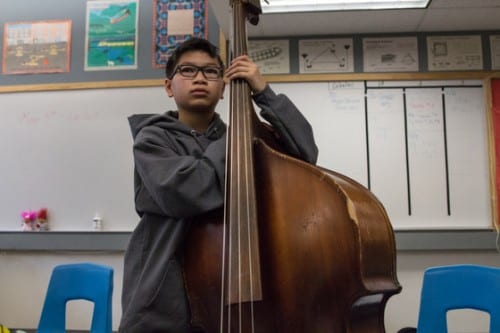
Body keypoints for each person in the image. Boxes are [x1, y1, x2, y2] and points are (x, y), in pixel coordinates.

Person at [119, 37, 318, 332]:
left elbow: (305, 155)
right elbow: (188, 191)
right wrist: (241, 137)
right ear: (168, 86)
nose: (200, 78)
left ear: (224, 88)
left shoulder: (243, 138)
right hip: (165, 300)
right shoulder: (152, 140)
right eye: (187, 70)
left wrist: (263, 91)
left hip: (238, 288)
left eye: (211, 72)